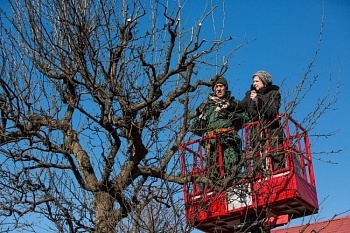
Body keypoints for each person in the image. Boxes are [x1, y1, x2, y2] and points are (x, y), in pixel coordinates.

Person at [190, 76, 248, 179]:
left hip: (229, 140)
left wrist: (230, 114)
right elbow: (195, 129)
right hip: (212, 144)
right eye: (216, 87)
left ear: (226, 88)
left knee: (233, 168)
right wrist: (199, 115)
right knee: (213, 174)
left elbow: (246, 117)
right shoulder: (208, 107)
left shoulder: (233, 104)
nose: (219, 89)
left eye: (221, 86)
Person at [238, 70, 284, 173]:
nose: (254, 84)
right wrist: (228, 104)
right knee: (257, 157)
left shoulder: (274, 94)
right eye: (253, 81)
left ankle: (279, 173)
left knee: (276, 155)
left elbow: (271, 111)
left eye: (257, 81)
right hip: (256, 133)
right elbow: (240, 106)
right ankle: (259, 175)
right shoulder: (250, 95)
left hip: (272, 131)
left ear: (264, 81)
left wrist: (257, 102)